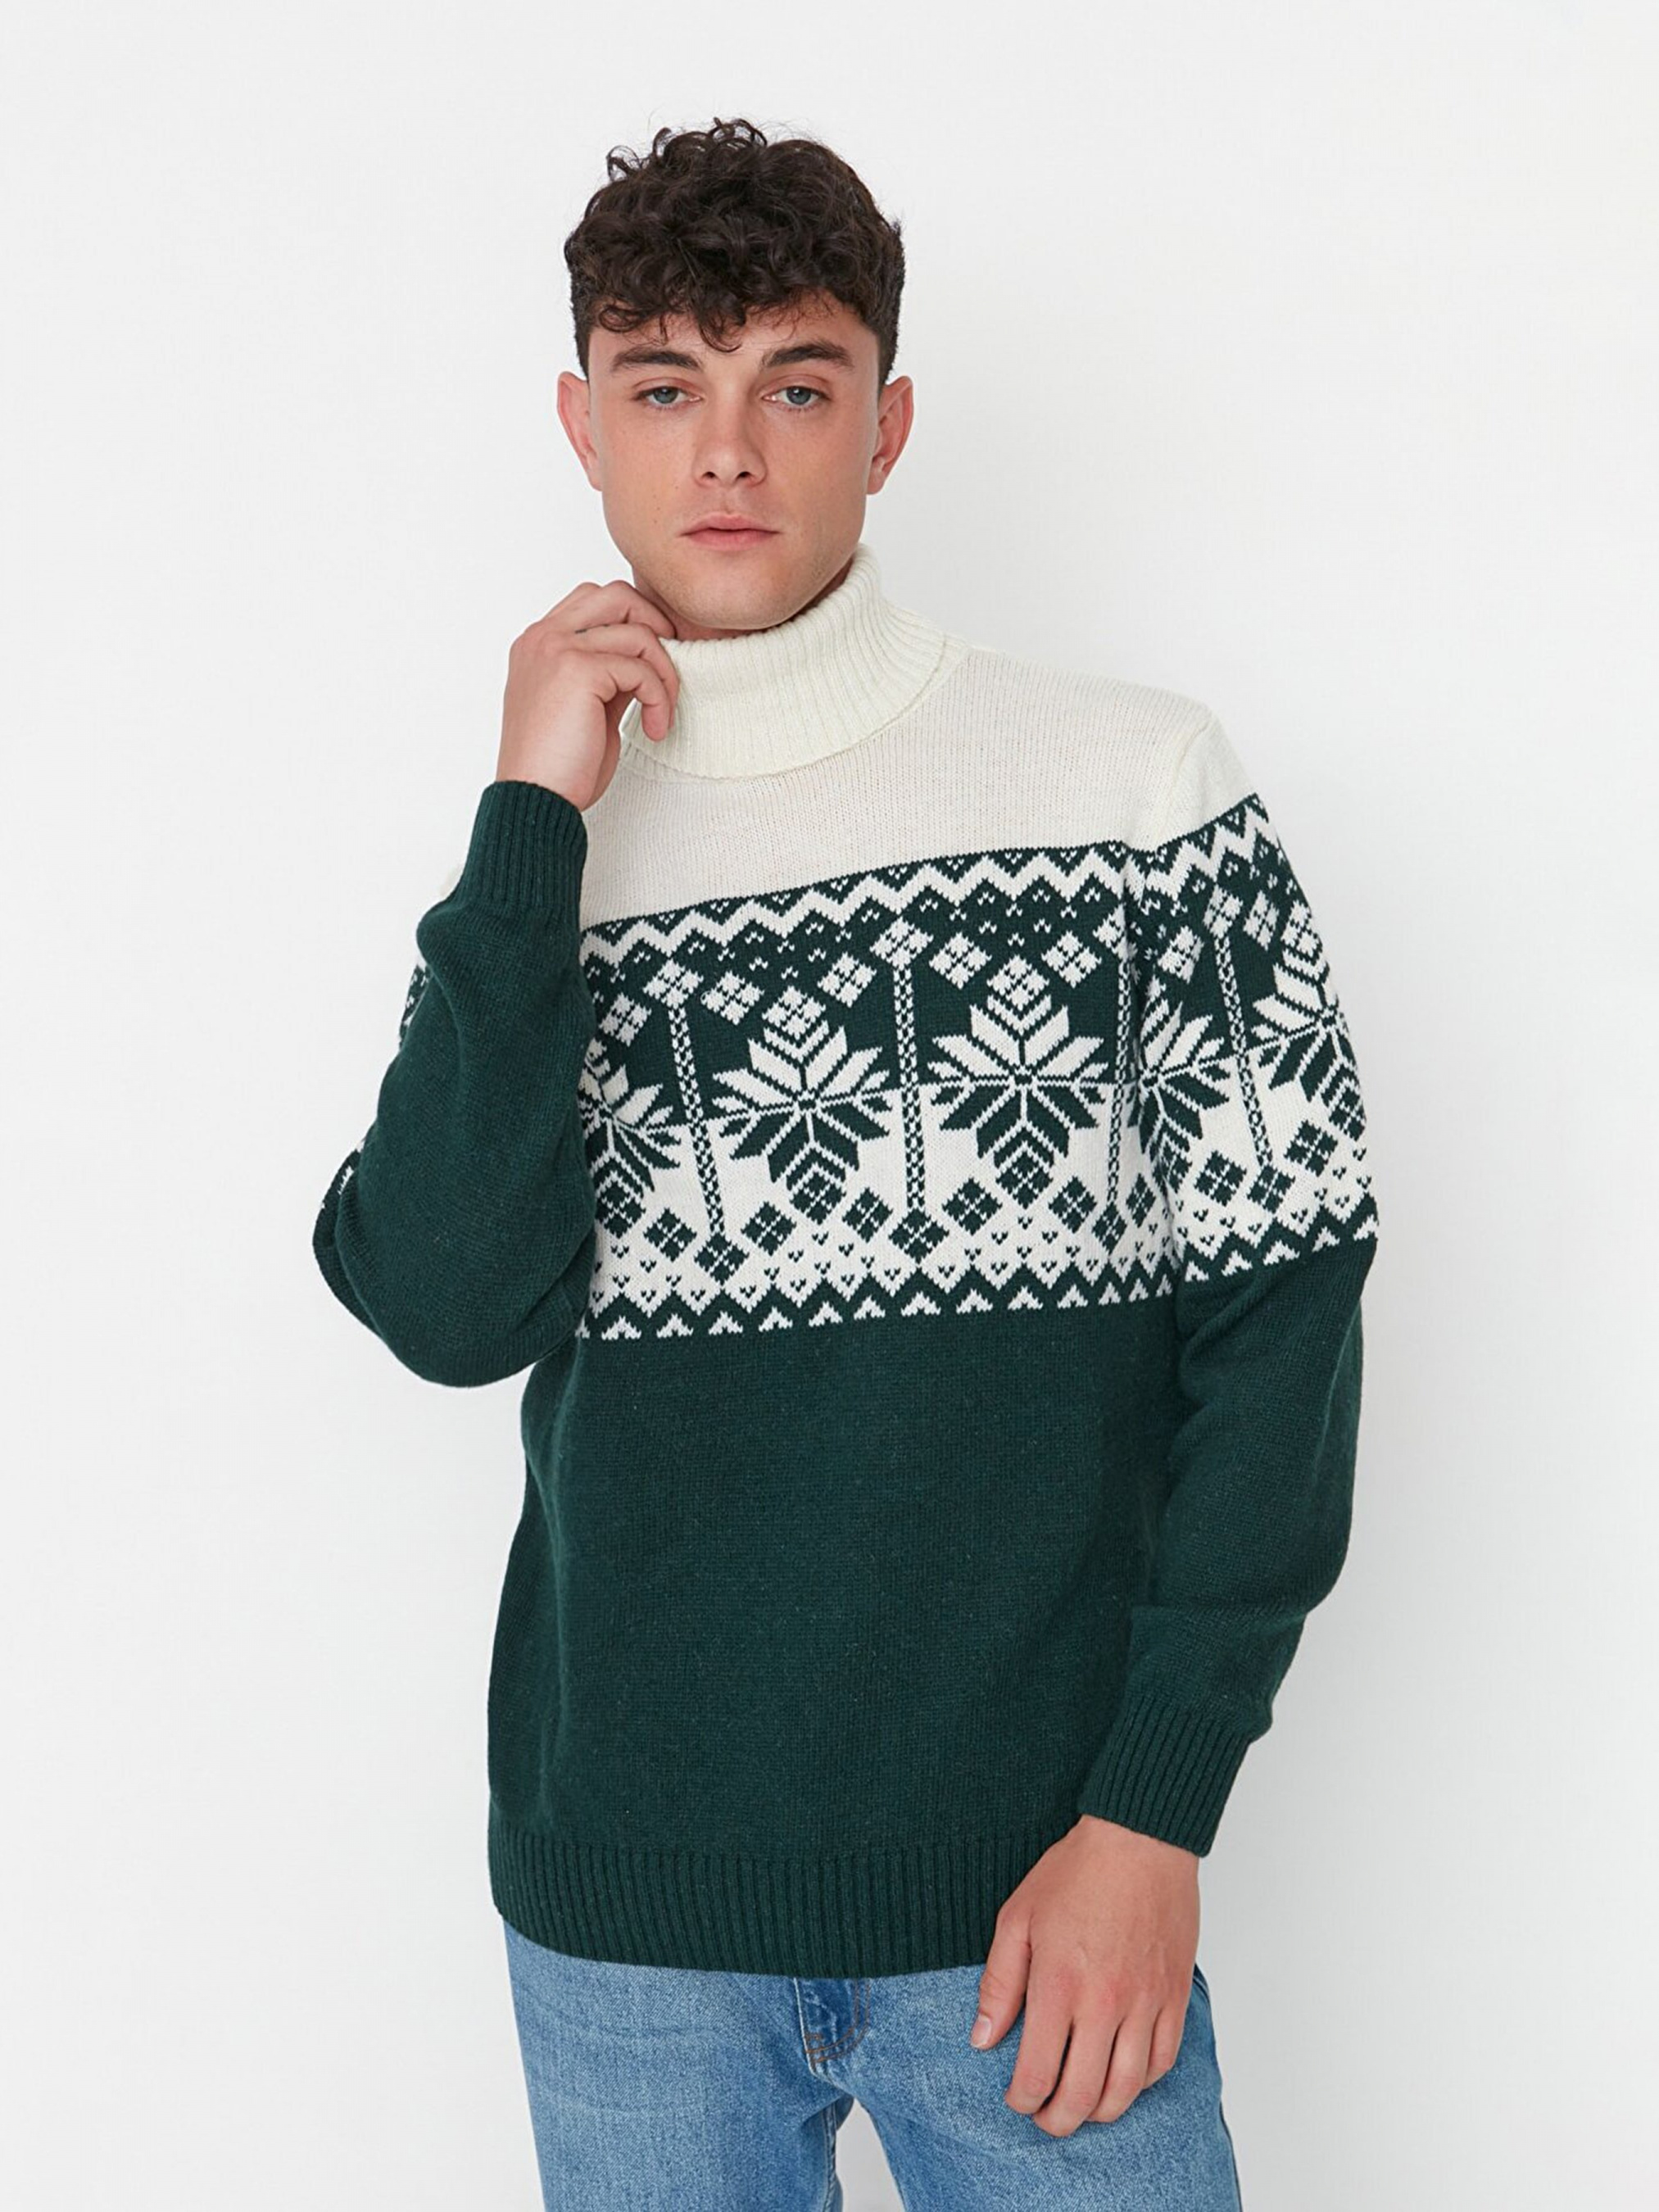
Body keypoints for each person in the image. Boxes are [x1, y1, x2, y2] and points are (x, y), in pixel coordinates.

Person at [312, 115, 1379, 2210]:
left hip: (1038, 1912)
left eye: (792, 388)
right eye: (662, 389)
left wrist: (1153, 1816)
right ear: (580, 427)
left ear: (883, 427)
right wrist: (524, 824)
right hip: (626, 1932)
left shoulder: (1131, 792)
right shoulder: (551, 845)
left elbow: (1280, 1338)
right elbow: (439, 1305)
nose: (726, 454)